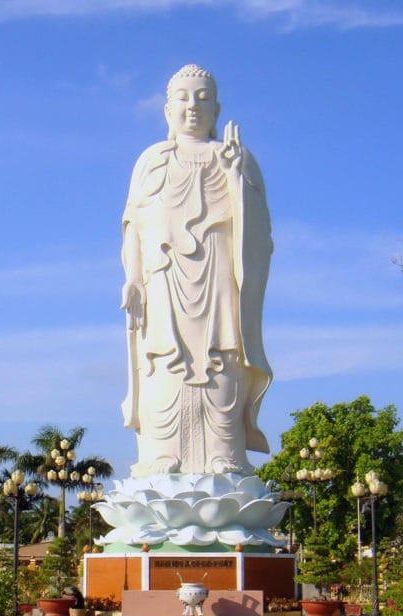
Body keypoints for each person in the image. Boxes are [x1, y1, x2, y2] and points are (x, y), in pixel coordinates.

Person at [120, 64, 273, 476]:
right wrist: (134, 277)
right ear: (167, 109)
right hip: (165, 278)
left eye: (203, 99)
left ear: (217, 109)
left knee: (223, 357)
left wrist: (236, 176)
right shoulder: (152, 160)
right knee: (165, 362)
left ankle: (223, 452)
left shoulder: (235, 158)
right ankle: (162, 455)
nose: (193, 107)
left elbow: (259, 233)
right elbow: (134, 224)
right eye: (184, 98)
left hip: (220, 277)